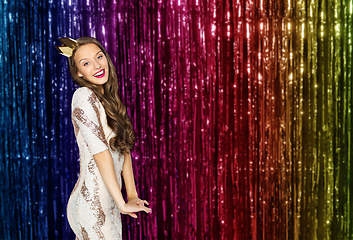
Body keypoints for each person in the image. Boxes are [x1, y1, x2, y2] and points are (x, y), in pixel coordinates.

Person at [56, 37, 151, 239]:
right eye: (86, 63)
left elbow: (123, 150)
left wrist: (131, 195)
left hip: (110, 202)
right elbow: (101, 154)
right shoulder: (83, 96)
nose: (97, 65)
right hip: (92, 204)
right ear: (79, 72)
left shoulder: (110, 102)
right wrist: (121, 203)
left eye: (99, 57)